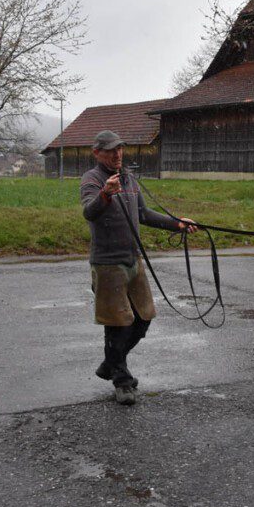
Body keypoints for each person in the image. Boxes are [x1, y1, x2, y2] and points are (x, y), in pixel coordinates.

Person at [79, 130, 197, 404]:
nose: (117, 154)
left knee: (143, 319)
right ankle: (121, 381)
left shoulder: (129, 179)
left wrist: (177, 222)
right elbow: (89, 211)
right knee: (117, 324)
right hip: (108, 264)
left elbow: (143, 214)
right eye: (109, 150)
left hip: (133, 260)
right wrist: (105, 195)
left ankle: (110, 364)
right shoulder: (92, 180)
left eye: (119, 149)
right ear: (97, 153)